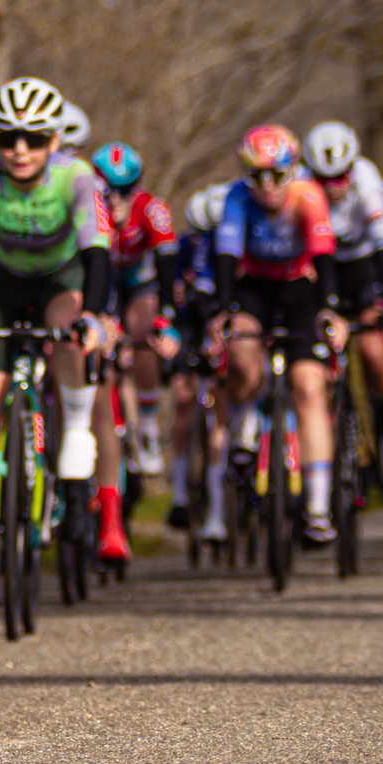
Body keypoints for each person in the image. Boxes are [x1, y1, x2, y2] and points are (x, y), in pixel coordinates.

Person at [0, 79, 111, 599]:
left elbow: (97, 251)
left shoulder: (76, 176)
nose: (18, 150)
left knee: (71, 327)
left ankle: (77, 431)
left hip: (60, 278)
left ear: (54, 142)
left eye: (33, 140)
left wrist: (95, 318)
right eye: (8, 137)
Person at [210, 124, 345, 549]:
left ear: (293, 170)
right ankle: (246, 422)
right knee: (242, 353)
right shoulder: (235, 199)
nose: (266, 186)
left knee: (309, 387)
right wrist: (224, 311)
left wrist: (330, 308)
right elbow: (227, 256)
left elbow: (324, 257)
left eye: (276, 175)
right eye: (256, 177)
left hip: (300, 287)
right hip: (255, 287)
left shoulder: (309, 195)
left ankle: (318, 509)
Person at [303, 120, 383, 497]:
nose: (334, 186)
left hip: (362, 268)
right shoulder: (300, 187)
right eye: (324, 178)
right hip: (320, 267)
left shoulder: (367, 180)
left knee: (375, 349)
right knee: (316, 358)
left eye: (341, 176)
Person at [93, 141, 180, 488]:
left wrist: (166, 318)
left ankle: (146, 425)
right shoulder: (87, 208)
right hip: (104, 281)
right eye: (107, 191)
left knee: (145, 329)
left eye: (125, 190)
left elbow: (167, 261)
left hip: (141, 282)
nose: (115, 199)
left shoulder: (152, 208)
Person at [168, 184, 227, 528]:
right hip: (190, 327)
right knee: (184, 399)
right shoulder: (184, 250)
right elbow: (173, 297)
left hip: (222, 325)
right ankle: (178, 492)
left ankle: (218, 512)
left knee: (221, 411)